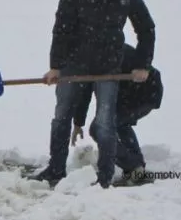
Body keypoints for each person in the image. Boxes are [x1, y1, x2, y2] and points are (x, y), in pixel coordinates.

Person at [34, 0, 156, 188]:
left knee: (104, 123)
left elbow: (147, 29)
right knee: (61, 117)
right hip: (74, 65)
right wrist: (56, 67)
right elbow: (61, 30)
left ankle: (104, 177)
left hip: (109, 68)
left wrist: (143, 65)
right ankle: (55, 170)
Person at [70, 43, 164, 186]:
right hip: (133, 95)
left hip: (144, 93)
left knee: (98, 129)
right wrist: (78, 123)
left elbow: (142, 70)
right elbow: (85, 93)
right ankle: (136, 166)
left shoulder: (108, 52)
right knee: (119, 124)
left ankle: (133, 166)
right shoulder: (92, 58)